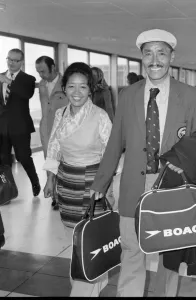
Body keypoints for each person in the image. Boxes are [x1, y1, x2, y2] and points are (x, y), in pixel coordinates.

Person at [90, 28, 196, 297]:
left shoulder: (190, 96)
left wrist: (186, 163)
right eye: (148, 53)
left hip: (172, 186)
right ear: (141, 57)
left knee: (169, 258)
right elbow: (115, 142)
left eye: (161, 53)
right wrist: (101, 181)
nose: (154, 60)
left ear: (172, 56)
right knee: (132, 250)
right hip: (134, 184)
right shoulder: (128, 94)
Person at [43, 62, 114, 296]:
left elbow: (111, 154)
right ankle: (93, 281)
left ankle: (83, 290)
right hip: (67, 184)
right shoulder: (60, 113)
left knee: (88, 240)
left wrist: (103, 185)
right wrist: (50, 178)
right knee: (74, 240)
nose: (76, 92)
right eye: (71, 86)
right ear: (64, 88)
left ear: (90, 90)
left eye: (83, 87)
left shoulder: (100, 116)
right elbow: (54, 145)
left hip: (92, 185)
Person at [0, 48, 41, 197]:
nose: (11, 63)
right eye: (9, 59)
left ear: (21, 62)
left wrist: (9, 82)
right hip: (2, 126)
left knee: (23, 156)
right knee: (4, 160)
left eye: (15, 60)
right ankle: (8, 189)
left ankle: (35, 182)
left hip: (20, 125)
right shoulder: (0, 77)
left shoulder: (28, 79)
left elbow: (26, 94)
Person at [35, 56, 68, 210]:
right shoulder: (41, 84)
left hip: (63, 130)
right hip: (46, 129)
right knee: (50, 161)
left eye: (43, 71)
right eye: (38, 72)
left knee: (62, 163)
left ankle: (63, 195)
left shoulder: (66, 83)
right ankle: (54, 196)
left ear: (53, 67)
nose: (41, 75)